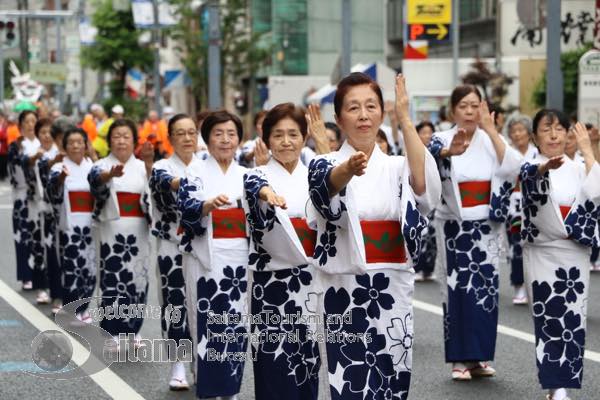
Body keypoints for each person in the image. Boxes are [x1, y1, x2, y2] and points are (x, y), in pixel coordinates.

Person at [307, 72, 441, 399]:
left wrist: (405, 118)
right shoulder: (323, 163)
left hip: (391, 282)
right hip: (345, 284)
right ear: (338, 118)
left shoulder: (397, 165)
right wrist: (348, 170)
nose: (363, 115)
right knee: (351, 374)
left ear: (383, 112)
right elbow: (326, 192)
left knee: (392, 370)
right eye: (353, 108)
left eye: (371, 106)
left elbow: (424, 190)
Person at [428, 84, 522, 380]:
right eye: (463, 106)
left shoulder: (491, 139)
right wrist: (447, 151)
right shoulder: (441, 138)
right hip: (455, 226)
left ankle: (479, 357)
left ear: (483, 107)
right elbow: (428, 157)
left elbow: (514, 167)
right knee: (457, 291)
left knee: (485, 291)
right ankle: (459, 360)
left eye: (475, 105)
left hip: (486, 226)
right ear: (453, 110)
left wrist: (492, 131)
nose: (469, 112)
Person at [242, 103, 327, 399]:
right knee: (273, 354)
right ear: (266, 140)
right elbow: (257, 187)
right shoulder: (256, 175)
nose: (286, 141)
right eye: (278, 135)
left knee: (306, 353)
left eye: (293, 134)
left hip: (309, 276)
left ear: (304, 138)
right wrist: (269, 195)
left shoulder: (314, 174)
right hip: (271, 282)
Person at [520, 110, 600, 400]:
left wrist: (588, 151)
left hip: (574, 252)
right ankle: (556, 385)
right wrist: (542, 170)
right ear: (535, 137)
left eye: (559, 129)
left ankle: (564, 383)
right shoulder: (529, 166)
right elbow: (527, 180)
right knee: (548, 315)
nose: (553, 134)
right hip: (543, 252)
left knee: (573, 318)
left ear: (568, 134)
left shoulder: (580, 168)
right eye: (546, 129)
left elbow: (598, 190)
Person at [177, 110, 248, 400]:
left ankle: (230, 389)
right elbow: (187, 208)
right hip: (206, 257)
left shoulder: (248, 175)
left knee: (236, 323)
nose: (225, 140)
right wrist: (206, 206)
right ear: (207, 139)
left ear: (239, 140)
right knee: (206, 322)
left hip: (240, 260)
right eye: (218, 134)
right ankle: (207, 389)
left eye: (231, 134)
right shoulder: (194, 172)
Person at [88, 118, 154, 347]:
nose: (121, 141)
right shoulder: (101, 166)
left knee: (138, 279)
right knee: (112, 279)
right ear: (109, 141)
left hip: (138, 231)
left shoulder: (143, 167)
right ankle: (111, 332)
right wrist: (109, 176)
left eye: (126, 136)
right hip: (111, 230)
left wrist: (148, 165)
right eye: (116, 136)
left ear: (134, 141)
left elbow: (154, 195)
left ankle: (134, 330)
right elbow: (95, 183)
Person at [149, 113, 202, 391]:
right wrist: (187, 184)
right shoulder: (162, 166)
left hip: (203, 246)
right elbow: (165, 184)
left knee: (202, 304)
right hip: (172, 245)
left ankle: (200, 364)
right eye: (180, 133)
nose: (187, 138)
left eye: (191, 132)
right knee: (176, 304)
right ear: (170, 138)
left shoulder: (205, 164)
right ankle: (178, 364)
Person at [47, 128, 96, 321]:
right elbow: (51, 192)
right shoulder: (58, 168)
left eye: (79, 142)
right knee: (72, 268)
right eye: (71, 143)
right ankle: (70, 310)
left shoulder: (93, 167)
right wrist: (60, 179)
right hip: (69, 227)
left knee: (90, 268)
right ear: (64, 147)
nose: (75, 146)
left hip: (90, 226)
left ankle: (84, 308)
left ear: (85, 145)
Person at [505, 114, 538, 304]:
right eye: (513, 131)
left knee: (535, 247)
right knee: (516, 246)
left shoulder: (537, 153)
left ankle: (534, 285)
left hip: (534, 206)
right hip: (514, 207)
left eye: (521, 130)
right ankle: (518, 286)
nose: (517, 134)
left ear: (529, 133)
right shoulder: (508, 153)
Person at [29, 118, 60, 305]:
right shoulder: (35, 154)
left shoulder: (61, 152)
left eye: (50, 132)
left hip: (59, 210)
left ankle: (58, 292)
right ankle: (43, 287)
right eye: (42, 132)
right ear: (38, 135)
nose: (46, 136)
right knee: (40, 247)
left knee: (57, 251)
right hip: (39, 208)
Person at [8, 110, 40, 290]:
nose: (30, 125)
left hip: (41, 199)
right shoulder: (16, 146)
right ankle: (26, 276)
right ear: (20, 125)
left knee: (40, 237)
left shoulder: (43, 144)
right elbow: (16, 166)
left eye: (33, 121)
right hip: (22, 197)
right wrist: (32, 160)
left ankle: (39, 276)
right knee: (23, 236)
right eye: (26, 121)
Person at [414, 121, 437, 281]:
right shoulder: (411, 150)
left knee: (432, 237)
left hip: (435, 200)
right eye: (423, 132)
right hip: (417, 200)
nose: (427, 135)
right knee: (420, 234)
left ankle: (429, 269)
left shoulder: (437, 151)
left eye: (430, 132)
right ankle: (417, 267)